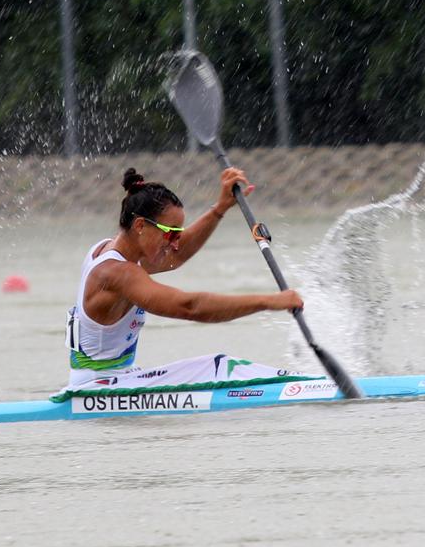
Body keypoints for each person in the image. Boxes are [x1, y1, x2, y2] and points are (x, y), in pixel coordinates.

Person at [59, 167, 308, 397]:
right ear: (140, 226)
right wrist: (270, 301)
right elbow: (189, 307)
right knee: (221, 367)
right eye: (170, 233)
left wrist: (219, 208)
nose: (175, 242)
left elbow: (176, 256)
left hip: (114, 380)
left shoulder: (114, 251)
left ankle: (304, 383)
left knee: (220, 367)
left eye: (178, 233)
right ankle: (305, 387)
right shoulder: (117, 273)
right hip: (100, 389)